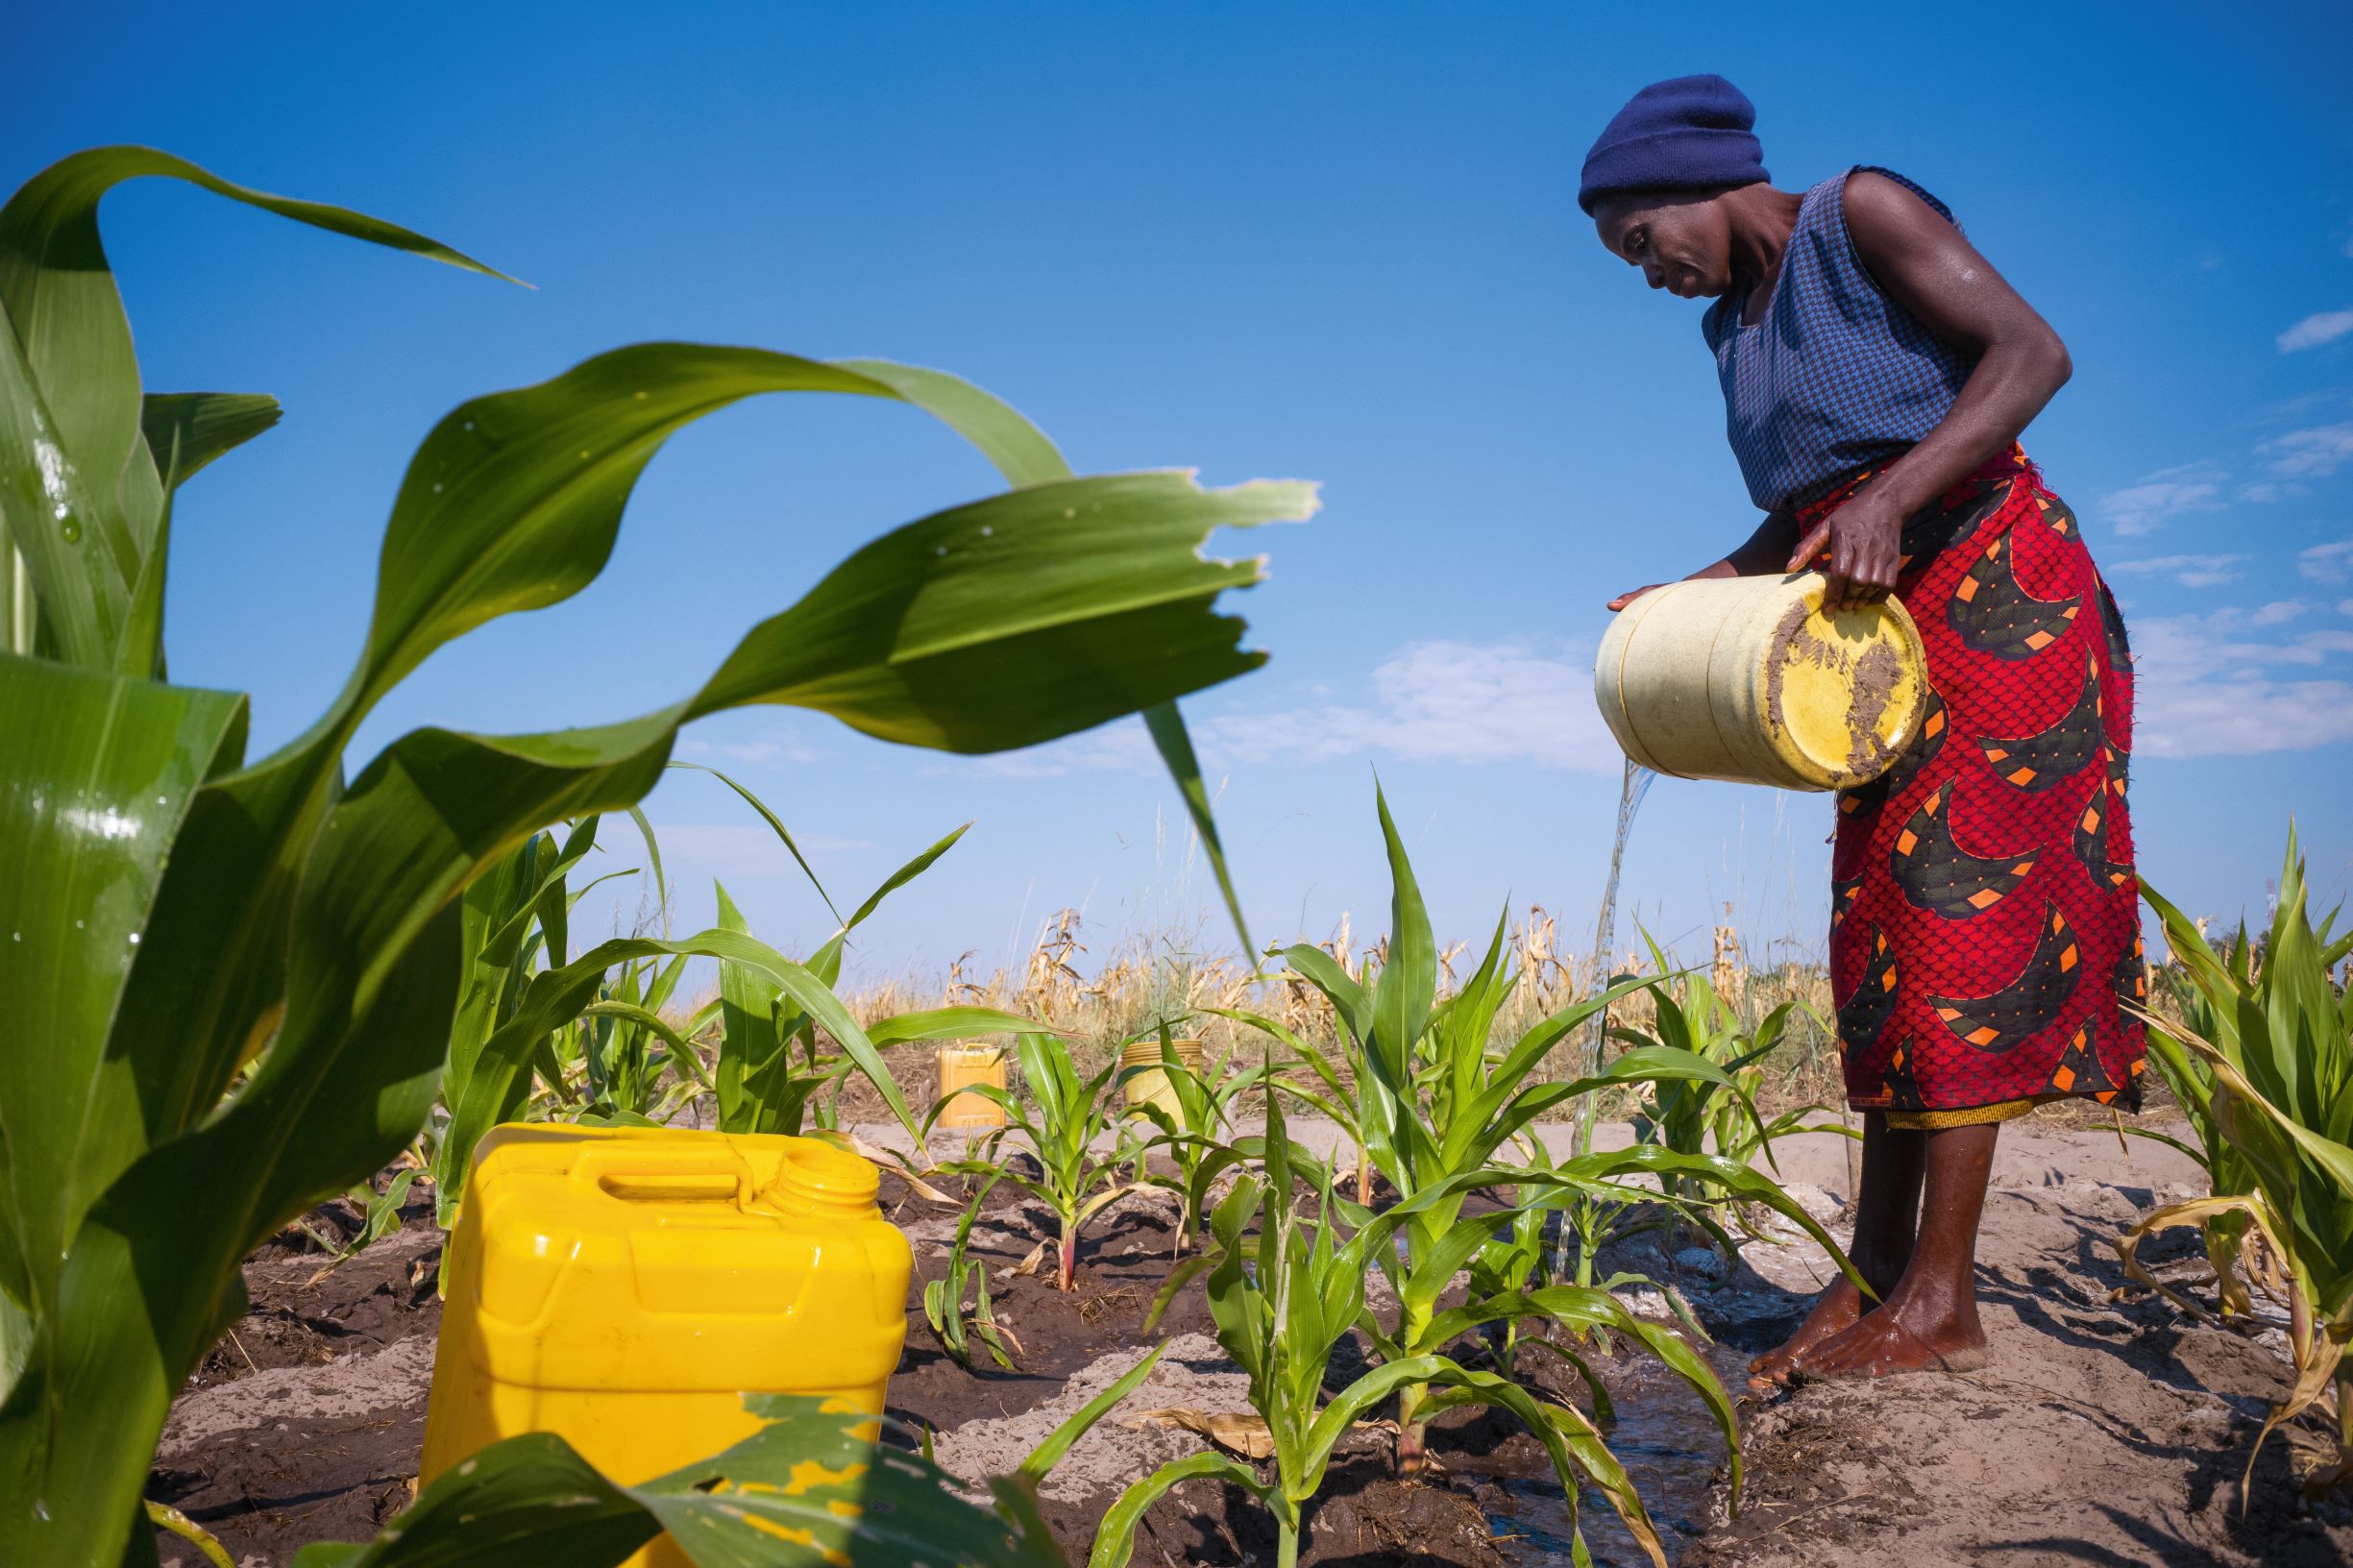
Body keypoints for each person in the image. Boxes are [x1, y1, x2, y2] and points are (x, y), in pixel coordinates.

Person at [1581, 75, 2146, 1384]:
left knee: (1962, 915)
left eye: (1639, 240)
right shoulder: (1730, 323)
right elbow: (1810, 508)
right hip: (1871, 628)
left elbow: (2030, 355)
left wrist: (1891, 495)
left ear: (1694, 184)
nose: (1644, 272)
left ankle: (1940, 1303)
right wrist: (1714, 582)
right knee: (1883, 932)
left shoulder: (1860, 213)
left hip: (2003, 596)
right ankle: (1871, 1279)